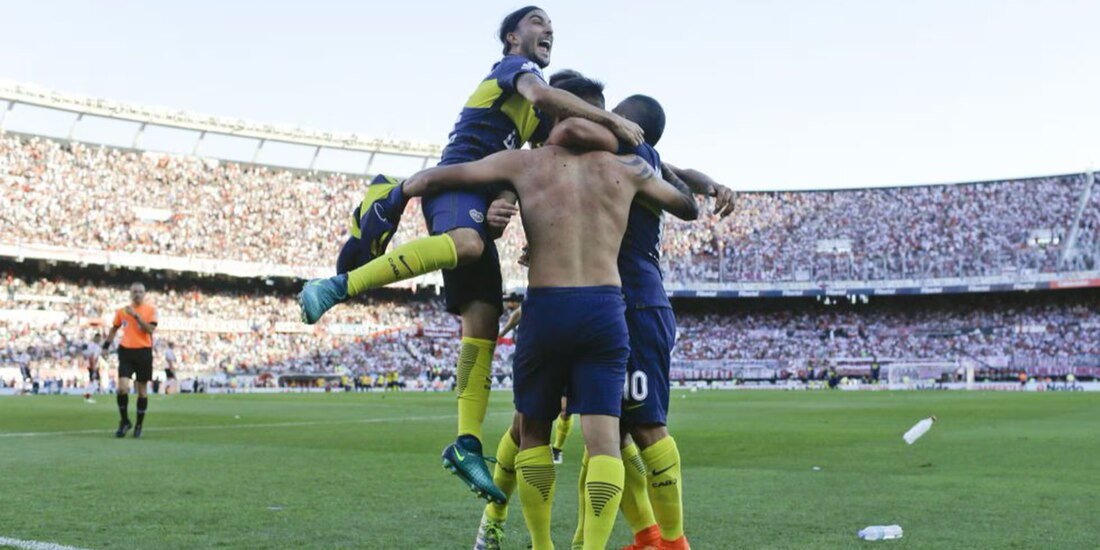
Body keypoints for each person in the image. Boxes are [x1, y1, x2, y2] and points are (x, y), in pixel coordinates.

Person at [298, 6, 645, 505]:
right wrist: (613, 120)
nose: (548, 29)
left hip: (479, 198)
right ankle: (336, 286)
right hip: (455, 182)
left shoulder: (534, 122)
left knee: (482, 320)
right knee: (468, 245)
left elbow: (522, 168)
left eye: (552, 25)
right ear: (512, 38)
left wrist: (504, 201)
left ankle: (466, 444)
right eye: (537, 21)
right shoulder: (515, 71)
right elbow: (543, 96)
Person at [399, 104, 697, 549]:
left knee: (557, 429)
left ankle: (636, 539)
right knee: (604, 437)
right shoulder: (625, 166)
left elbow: (445, 177)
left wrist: (396, 194)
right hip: (606, 306)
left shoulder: (544, 161)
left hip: (589, 305)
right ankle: (614, 539)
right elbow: (687, 204)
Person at [102, 282, 158, 438]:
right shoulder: (122, 311)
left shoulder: (151, 310)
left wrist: (136, 316)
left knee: (142, 390)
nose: (137, 294)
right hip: (126, 351)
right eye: (135, 291)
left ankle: (139, 424)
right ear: (130, 294)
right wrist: (106, 346)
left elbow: (150, 329)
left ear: (144, 294)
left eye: (140, 291)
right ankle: (125, 420)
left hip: (144, 352)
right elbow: (114, 329)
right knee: (122, 388)